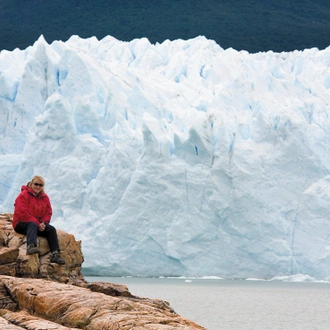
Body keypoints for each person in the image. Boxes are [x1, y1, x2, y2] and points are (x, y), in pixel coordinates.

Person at [12, 175, 65, 265]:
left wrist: (43, 223)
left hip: (37, 225)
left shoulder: (45, 197)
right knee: (32, 224)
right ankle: (31, 246)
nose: (38, 187)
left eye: (40, 185)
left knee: (51, 229)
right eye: (36, 184)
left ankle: (55, 254)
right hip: (21, 224)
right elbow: (22, 213)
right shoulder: (23, 195)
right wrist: (37, 223)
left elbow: (48, 212)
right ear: (31, 183)